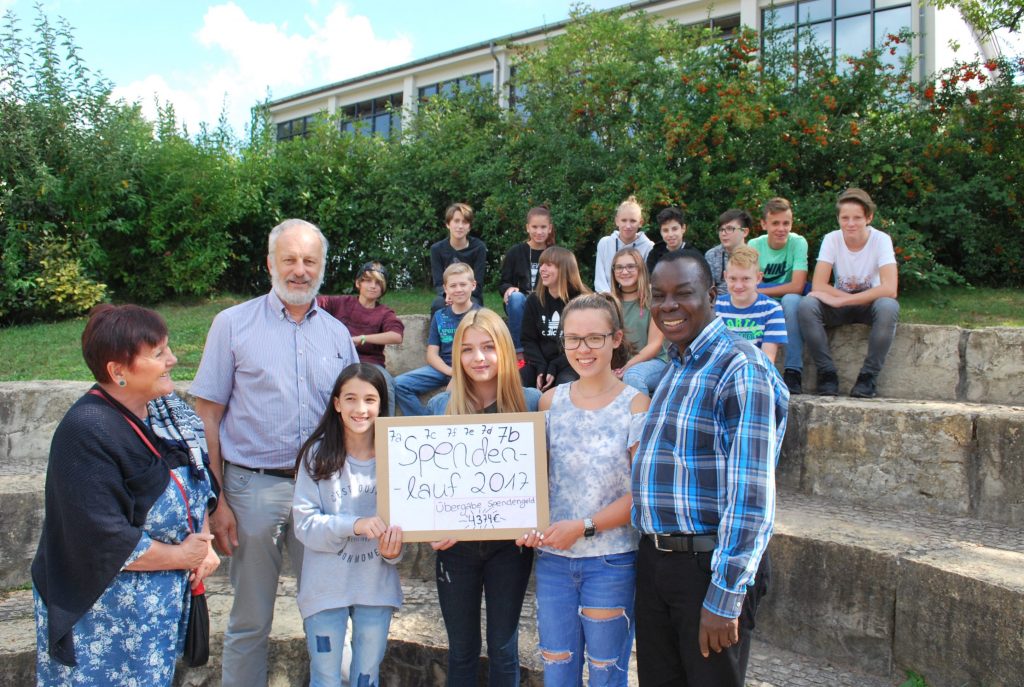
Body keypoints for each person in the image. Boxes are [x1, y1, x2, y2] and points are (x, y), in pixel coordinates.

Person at [191, 218, 359, 687]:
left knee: (328, 615)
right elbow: (208, 416)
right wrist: (217, 501)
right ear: (270, 263)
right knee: (250, 619)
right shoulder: (231, 325)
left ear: (323, 267)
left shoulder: (338, 335)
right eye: (290, 259)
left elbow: (355, 416)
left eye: (310, 261)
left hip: (322, 492)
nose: (300, 270)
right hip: (252, 490)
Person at [32, 304, 219, 685]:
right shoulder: (86, 430)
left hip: (154, 611)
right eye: (158, 353)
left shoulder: (167, 411)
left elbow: (199, 477)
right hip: (102, 614)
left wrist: (203, 540)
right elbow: (101, 536)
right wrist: (182, 555)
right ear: (117, 371)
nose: (172, 359)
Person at [631, 249, 788, 687]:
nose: (669, 306)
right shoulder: (676, 366)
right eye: (659, 295)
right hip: (658, 562)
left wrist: (725, 595)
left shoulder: (741, 367)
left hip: (707, 566)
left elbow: (751, 494)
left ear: (712, 295)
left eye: (683, 293)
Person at [517, 293, 650, 686]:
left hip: (611, 561)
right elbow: (533, 482)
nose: (582, 348)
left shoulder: (636, 404)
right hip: (555, 561)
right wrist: (522, 520)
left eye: (594, 338)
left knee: (608, 675)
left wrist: (584, 526)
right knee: (558, 674)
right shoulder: (548, 402)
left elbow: (640, 494)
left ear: (616, 338)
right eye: (572, 339)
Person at [425, 309, 541, 686]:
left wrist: (537, 521)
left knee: (504, 647)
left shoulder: (532, 403)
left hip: (511, 547)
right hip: (455, 549)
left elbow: (546, 479)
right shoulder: (440, 408)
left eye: (489, 347)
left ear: (505, 350)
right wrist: (427, 527)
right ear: (455, 356)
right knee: (461, 650)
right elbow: (425, 483)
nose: (479, 358)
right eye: (468, 349)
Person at [292, 363, 404, 687]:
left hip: (375, 588)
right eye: (351, 399)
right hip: (325, 588)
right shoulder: (316, 456)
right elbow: (305, 524)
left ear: (381, 405)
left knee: (367, 676)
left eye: (370, 399)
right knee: (325, 677)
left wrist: (393, 549)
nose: (360, 408)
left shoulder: (397, 457)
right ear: (337, 403)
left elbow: (402, 536)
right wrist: (354, 525)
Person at [798, 188, 900, 398]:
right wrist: (840, 300)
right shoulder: (832, 239)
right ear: (838, 219)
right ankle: (827, 373)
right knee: (806, 306)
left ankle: (868, 377)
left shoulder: (881, 240)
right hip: (839, 303)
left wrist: (844, 300)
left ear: (869, 218)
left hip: (868, 304)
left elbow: (890, 288)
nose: (850, 223)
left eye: (857, 218)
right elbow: (818, 284)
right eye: (845, 218)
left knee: (888, 307)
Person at [318, 261, 405, 416]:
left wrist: (362, 338)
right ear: (358, 283)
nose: (373, 286)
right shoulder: (341, 302)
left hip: (371, 364)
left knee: (386, 385)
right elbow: (312, 303)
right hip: (339, 360)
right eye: (368, 281)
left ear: (383, 288)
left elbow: (396, 336)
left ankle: (385, 433)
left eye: (378, 283)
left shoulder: (385, 312)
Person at [394, 262, 479, 416]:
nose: (458, 289)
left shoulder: (481, 315)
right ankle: (423, 425)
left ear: (473, 285)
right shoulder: (440, 316)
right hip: (442, 369)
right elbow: (432, 354)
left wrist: (459, 374)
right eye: (453, 286)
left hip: (471, 369)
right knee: (399, 384)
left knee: (444, 401)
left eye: (463, 284)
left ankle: (437, 428)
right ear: (445, 289)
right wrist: (451, 372)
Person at [748, 197, 809, 392]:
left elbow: (797, 286)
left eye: (786, 223)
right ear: (764, 224)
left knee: (791, 302)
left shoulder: (798, 243)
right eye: (775, 223)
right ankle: (753, 369)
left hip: (787, 298)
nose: (781, 228)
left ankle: (793, 371)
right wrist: (758, 291)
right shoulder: (755, 245)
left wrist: (760, 289)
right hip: (764, 299)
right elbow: (748, 283)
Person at [520, 246, 591, 390]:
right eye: (542, 265)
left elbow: (585, 343)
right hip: (540, 364)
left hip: (570, 363)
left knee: (563, 388)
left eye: (549, 265)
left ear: (564, 269)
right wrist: (541, 366)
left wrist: (554, 366)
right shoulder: (534, 300)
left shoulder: (582, 301)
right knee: (515, 384)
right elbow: (528, 340)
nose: (542, 269)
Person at [609, 247, 668, 394]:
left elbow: (655, 345)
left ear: (640, 268)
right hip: (620, 364)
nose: (624, 271)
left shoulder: (654, 298)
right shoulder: (608, 302)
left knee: (633, 376)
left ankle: (643, 417)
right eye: (619, 267)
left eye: (630, 266)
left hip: (655, 362)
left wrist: (627, 366)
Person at [498, 206, 556, 356]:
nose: (539, 231)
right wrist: (508, 289)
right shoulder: (515, 252)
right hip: (521, 302)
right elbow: (504, 282)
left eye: (543, 227)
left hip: (546, 301)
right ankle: (519, 352)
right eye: (534, 227)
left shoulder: (555, 253)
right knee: (516, 298)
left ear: (549, 228)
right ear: (527, 228)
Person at [715, 245, 788, 364]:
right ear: (725, 276)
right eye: (733, 278)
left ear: (758, 278)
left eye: (745, 279)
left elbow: (767, 360)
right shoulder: (715, 307)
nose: (738, 286)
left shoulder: (772, 309)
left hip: (754, 371)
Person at [430, 202, 487, 315]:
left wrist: (462, 296)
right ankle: (436, 333)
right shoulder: (436, 249)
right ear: (448, 224)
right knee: (437, 305)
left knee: (473, 309)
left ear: (469, 227)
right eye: (456, 221)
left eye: (464, 222)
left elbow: (478, 283)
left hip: (471, 296)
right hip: (448, 295)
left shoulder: (479, 248)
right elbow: (438, 283)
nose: (460, 226)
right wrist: (448, 295)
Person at [594, 195, 655, 292]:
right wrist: (610, 300)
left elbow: (647, 280)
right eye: (624, 220)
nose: (628, 225)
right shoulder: (605, 243)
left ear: (641, 222)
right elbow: (600, 280)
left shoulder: (648, 247)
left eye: (633, 221)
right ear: (616, 221)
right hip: (607, 301)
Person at [705, 209, 752, 294]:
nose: (723, 233)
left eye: (730, 229)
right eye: (721, 229)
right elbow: (709, 289)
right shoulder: (711, 255)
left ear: (745, 232)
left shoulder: (754, 255)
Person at [645, 207, 695, 275]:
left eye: (674, 229)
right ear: (660, 232)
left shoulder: (693, 255)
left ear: (683, 228)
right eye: (665, 230)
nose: (670, 234)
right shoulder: (654, 255)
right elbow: (651, 280)